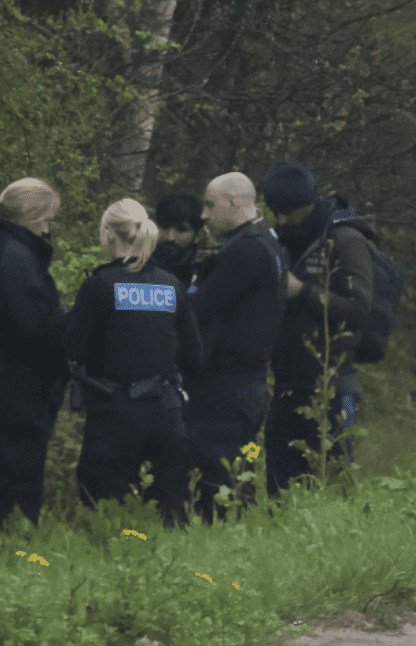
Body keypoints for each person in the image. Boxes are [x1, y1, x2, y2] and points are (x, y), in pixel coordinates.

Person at [64, 199, 203, 528]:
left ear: (107, 235)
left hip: (114, 417)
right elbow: (195, 356)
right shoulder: (173, 286)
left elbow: (71, 345)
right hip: (167, 415)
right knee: (168, 518)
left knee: (107, 520)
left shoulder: (100, 286)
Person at [0, 178, 69, 535]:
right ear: (34, 217)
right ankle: (14, 566)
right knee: (15, 505)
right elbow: (36, 331)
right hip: (18, 401)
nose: (49, 228)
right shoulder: (19, 262)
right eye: (47, 218)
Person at [184, 172, 290, 524]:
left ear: (232, 203)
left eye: (210, 205)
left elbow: (197, 311)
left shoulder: (245, 251)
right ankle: (239, 540)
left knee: (217, 476)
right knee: (242, 467)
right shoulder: (270, 244)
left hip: (225, 390)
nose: (203, 215)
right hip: (250, 388)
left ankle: (217, 546)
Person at [261, 160, 372, 495]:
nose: (281, 220)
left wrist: (303, 292)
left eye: (288, 212)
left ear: (308, 205)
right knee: (278, 481)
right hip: (285, 385)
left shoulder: (344, 240)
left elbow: (358, 309)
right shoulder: (280, 240)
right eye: (274, 212)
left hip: (335, 386)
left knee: (337, 477)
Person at [150, 194, 205, 288]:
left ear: (197, 236)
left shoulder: (206, 274)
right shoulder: (134, 266)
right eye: (164, 226)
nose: (170, 237)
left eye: (181, 229)